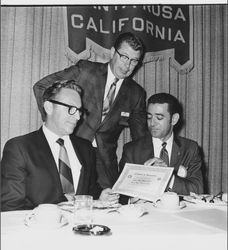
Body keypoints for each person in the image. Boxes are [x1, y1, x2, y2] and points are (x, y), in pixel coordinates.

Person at [33, 32, 148, 189]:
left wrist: (148, 167)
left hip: (105, 163)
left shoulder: (137, 93)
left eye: (134, 61)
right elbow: (41, 87)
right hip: (71, 148)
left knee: (109, 206)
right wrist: (53, 122)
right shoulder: (85, 70)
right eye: (124, 57)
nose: (128, 66)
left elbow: (140, 139)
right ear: (113, 52)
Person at [1, 80, 119, 211]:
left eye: (79, 110)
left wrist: (99, 198)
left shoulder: (86, 148)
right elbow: (10, 206)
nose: (78, 117)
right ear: (49, 107)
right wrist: (52, 212)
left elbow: (89, 191)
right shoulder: (20, 148)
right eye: (71, 109)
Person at [119, 93, 204, 203]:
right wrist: (134, 199)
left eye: (159, 118)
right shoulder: (131, 150)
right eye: (149, 117)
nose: (152, 123)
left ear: (174, 119)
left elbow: (197, 190)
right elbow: (122, 195)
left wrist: (167, 177)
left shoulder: (190, 148)